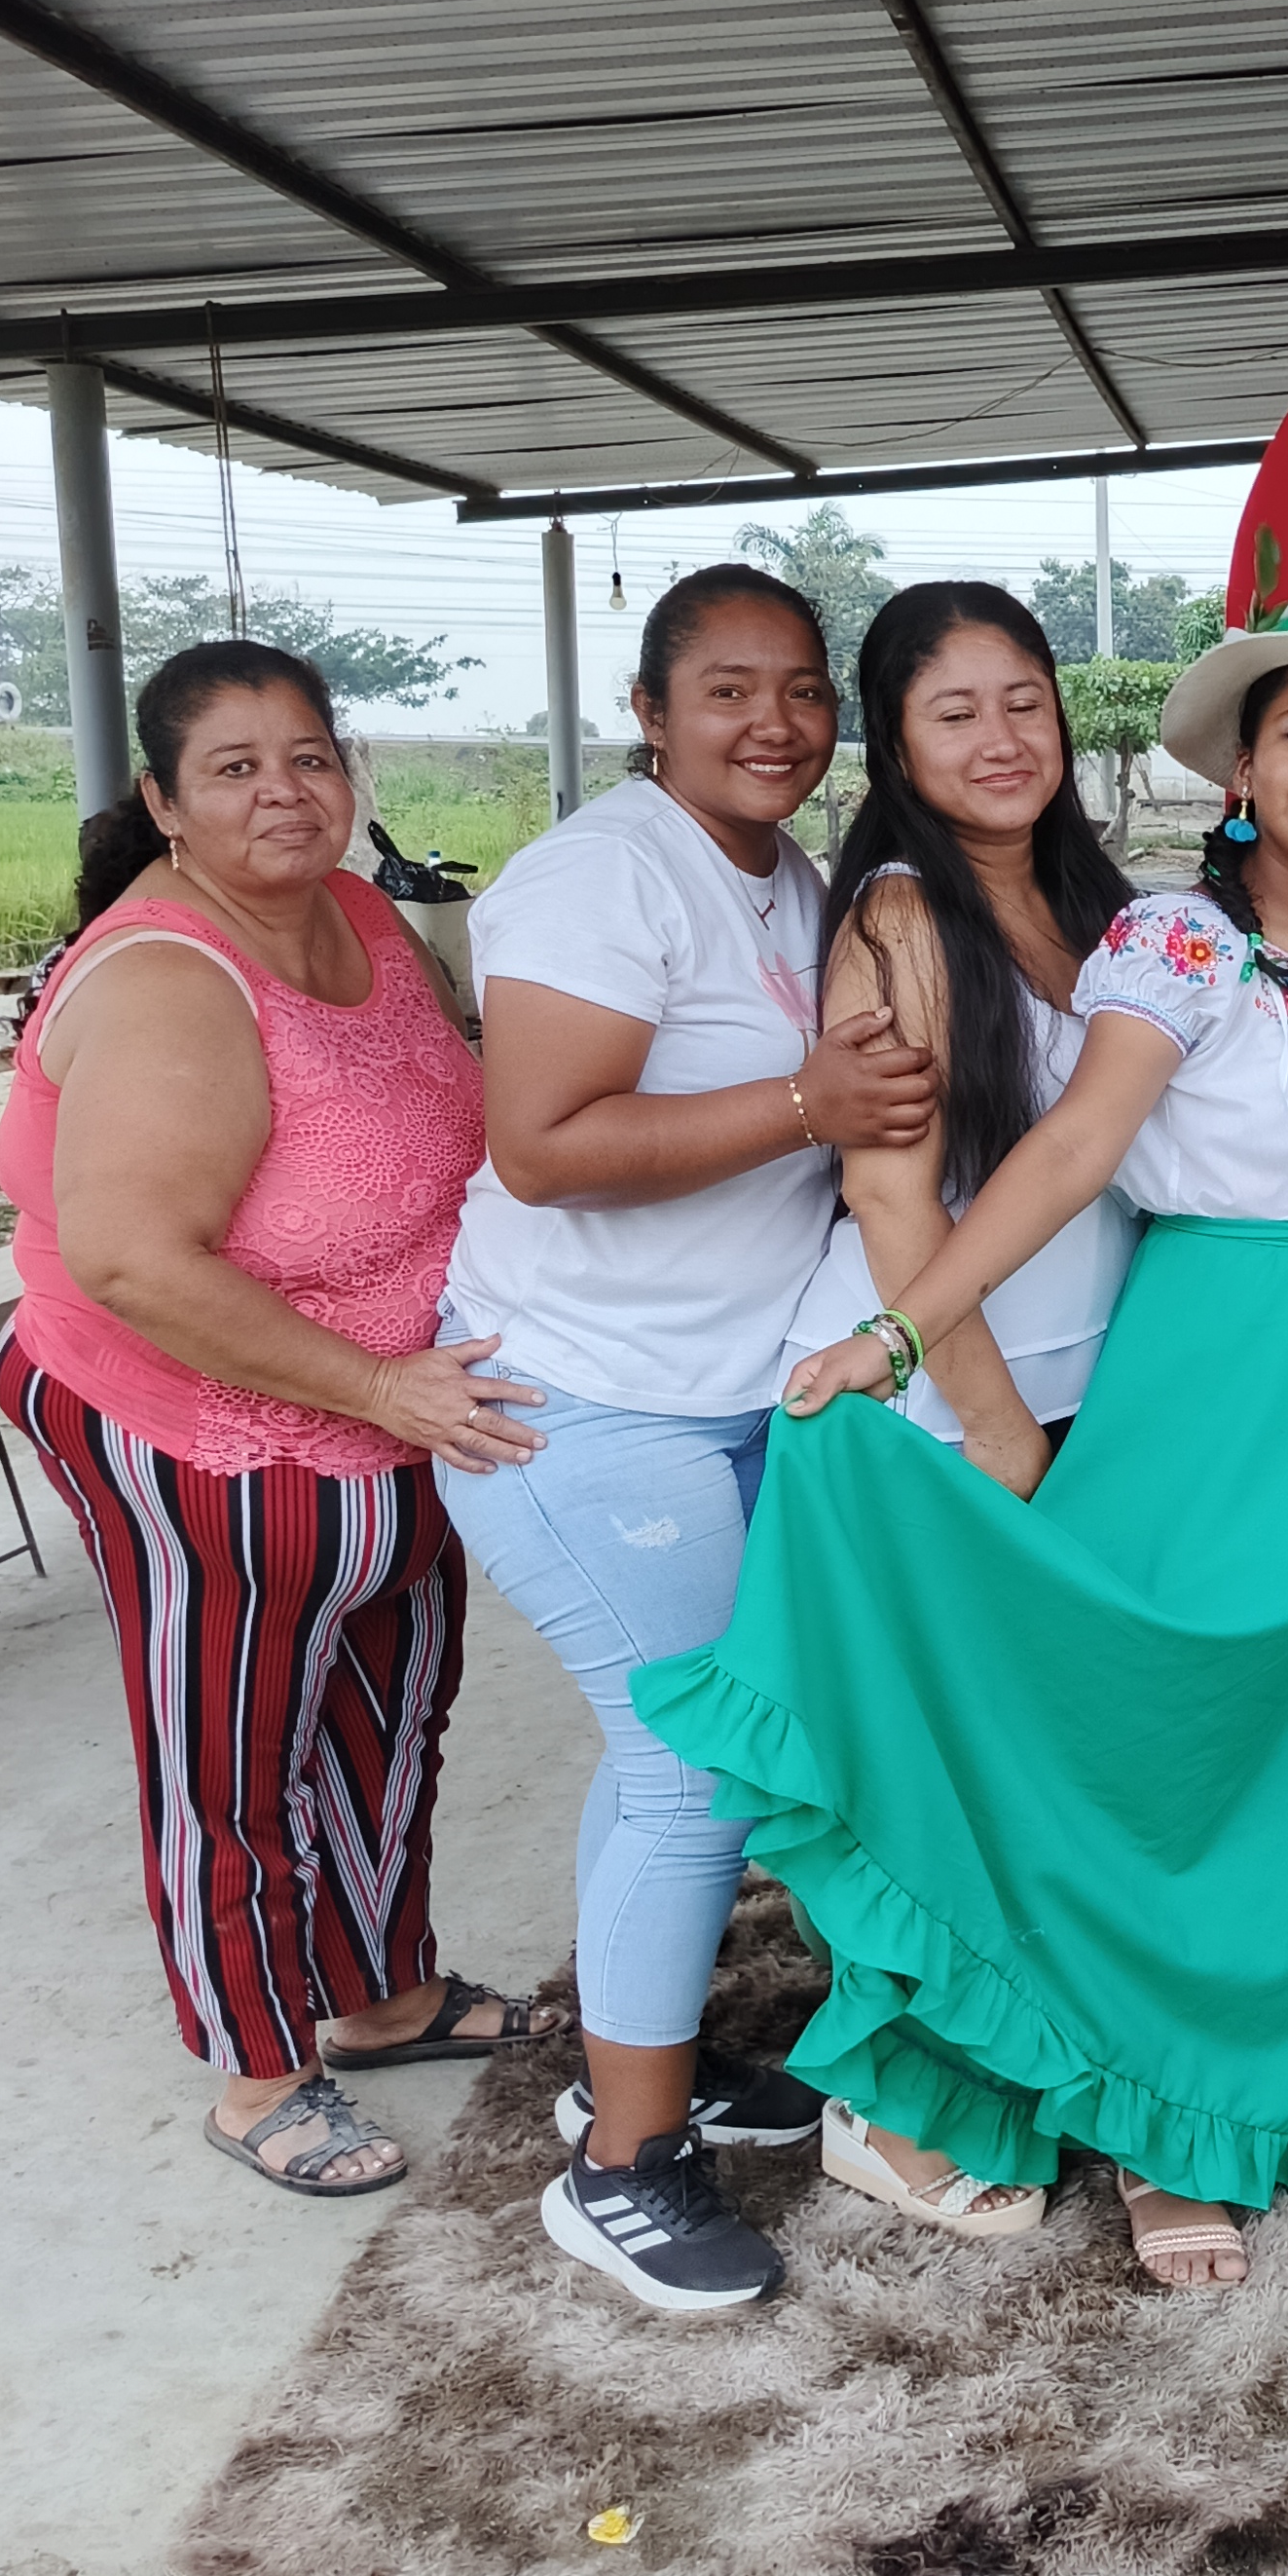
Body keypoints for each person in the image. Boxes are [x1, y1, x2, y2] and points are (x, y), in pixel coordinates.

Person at [636, 576, 1288, 2294]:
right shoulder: (1167, 935)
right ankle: (1152, 2129)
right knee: (1161, 1753)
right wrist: (907, 1337)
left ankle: (1256, 2051)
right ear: (1239, 769)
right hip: (1198, 1386)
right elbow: (1065, 1151)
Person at [437, 568, 935, 2318]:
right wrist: (807, 1103)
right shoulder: (601, 875)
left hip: (727, 1393)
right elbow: (543, 1145)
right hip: (583, 1400)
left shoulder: (792, 878)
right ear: (651, 713)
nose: (773, 723)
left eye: (802, 689)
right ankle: (622, 2170)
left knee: (672, 1752)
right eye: (728, 689)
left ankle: (630, 2064)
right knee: (697, 1768)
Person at [0, 642, 527, 2197]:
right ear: (164, 802)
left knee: (392, 1706)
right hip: (201, 1421)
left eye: (310, 757)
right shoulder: (169, 979)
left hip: (392, 1410)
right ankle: (257, 2070)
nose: (285, 792)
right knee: (232, 1752)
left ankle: (384, 1996)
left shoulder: (357, 909)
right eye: (234, 768)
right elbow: (132, 1260)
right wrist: (378, 1383)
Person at [783, 579, 1140, 2240]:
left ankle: (1012, 2066)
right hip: (932, 1415)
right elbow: (891, 1198)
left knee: (1023, 1772)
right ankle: (878, 2111)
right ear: (896, 742)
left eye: (1025, 701)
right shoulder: (905, 918)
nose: (1003, 739)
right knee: (919, 1779)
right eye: (955, 712)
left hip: (1066, 1396)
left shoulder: (1089, 900)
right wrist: (997, 1430)